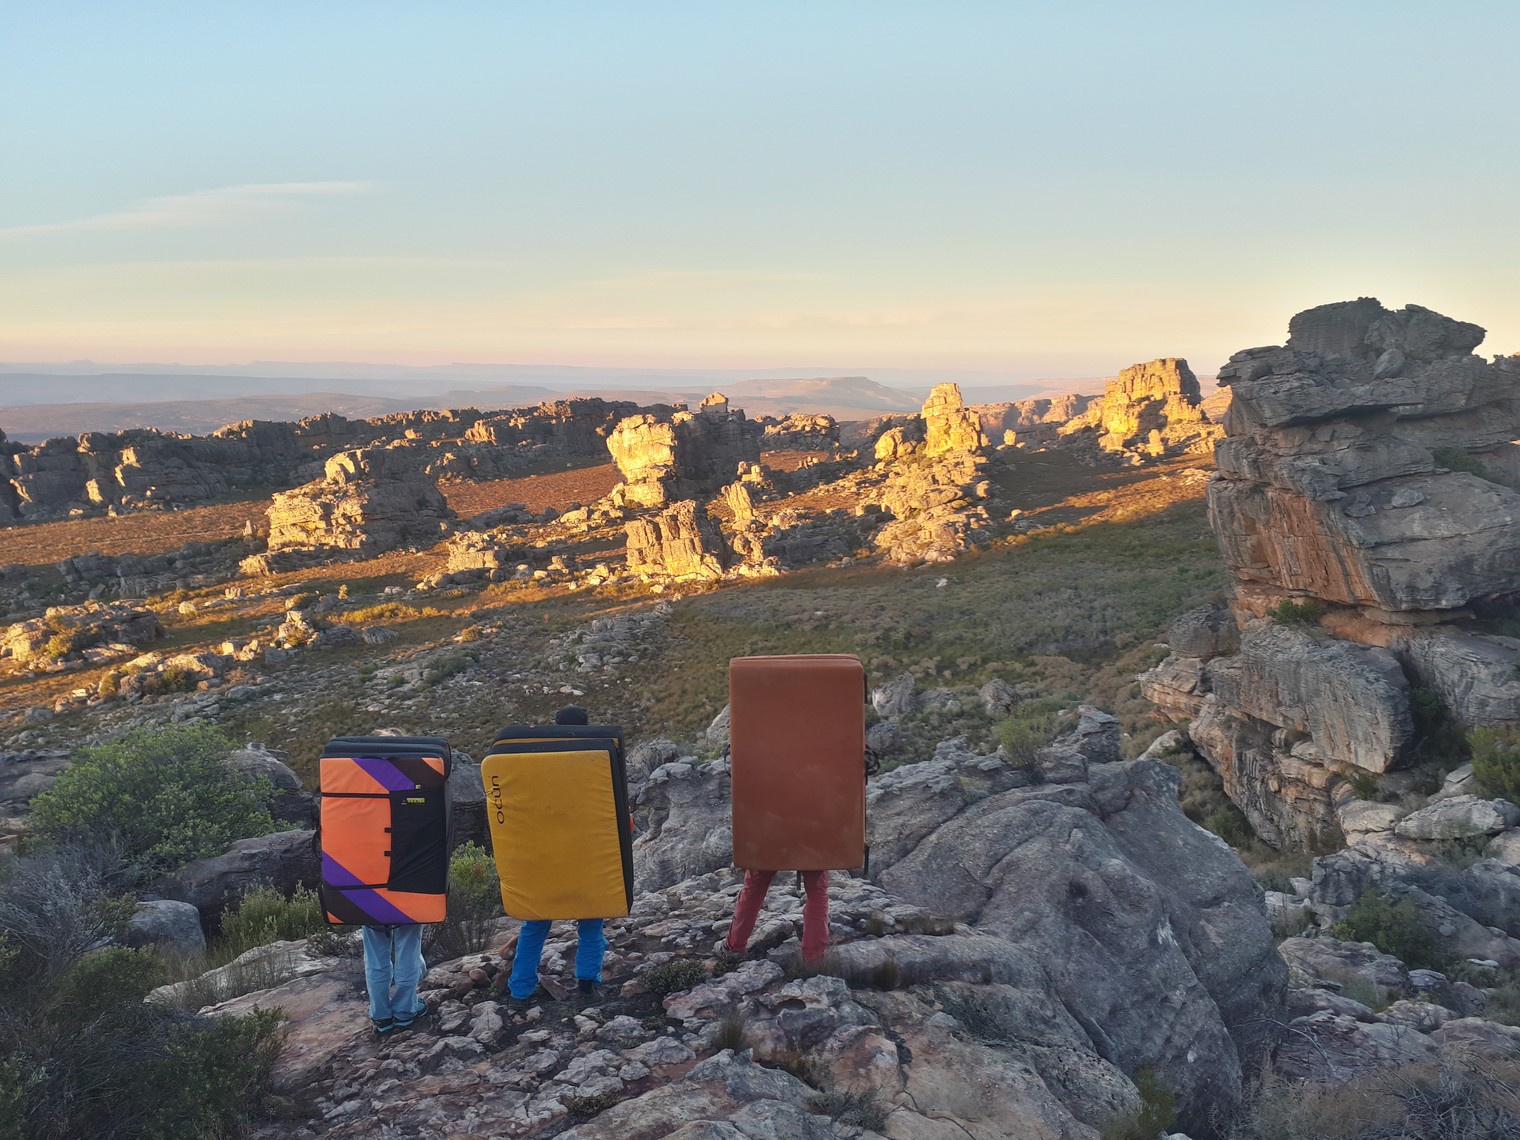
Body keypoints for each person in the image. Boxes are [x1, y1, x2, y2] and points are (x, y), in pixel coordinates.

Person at [506, 704, 613, 1010]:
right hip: (587, 858)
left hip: (543, 859)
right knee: (591, 924)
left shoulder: (531, 763)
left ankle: (520, 993)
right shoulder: (598, 762)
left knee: (534, 927)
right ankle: (587, 987)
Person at [722, 869, 830, 963]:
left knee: (755, 883)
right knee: (817, 888)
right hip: (810, 853)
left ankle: (734, 947)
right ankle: (814, 958)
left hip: (768, 852)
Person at [363, 923, 428, 1036]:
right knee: (408, 950)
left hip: (371, 911)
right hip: (408, 911)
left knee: (375, 956)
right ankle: (404, 1011)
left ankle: (381, 1016)